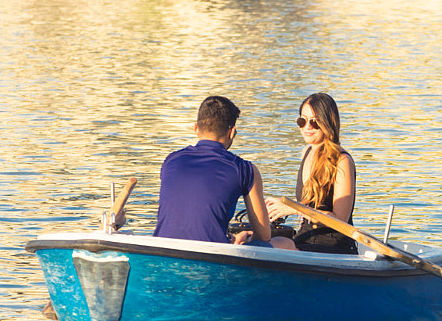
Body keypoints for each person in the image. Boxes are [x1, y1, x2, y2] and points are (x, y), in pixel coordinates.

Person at [153, 96, 274, 245]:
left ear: (196, 128)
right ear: (232, 132)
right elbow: (263, 235)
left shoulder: (170, 161)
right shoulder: (245, 169)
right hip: (211, 257)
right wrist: (246, 239)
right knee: (286, 244)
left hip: (163, 251)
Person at [263, 93, 358, 253]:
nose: (307, 127)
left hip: (332, 246)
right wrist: (280, 206)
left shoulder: (342, 161)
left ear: (327, 122)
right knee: (259, 240)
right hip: (304, 238)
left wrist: (292, 208)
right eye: (302, 121)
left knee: (278, 246)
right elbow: (311, 203)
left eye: (314, 122)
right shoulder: (306, 152)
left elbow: (340, 220)